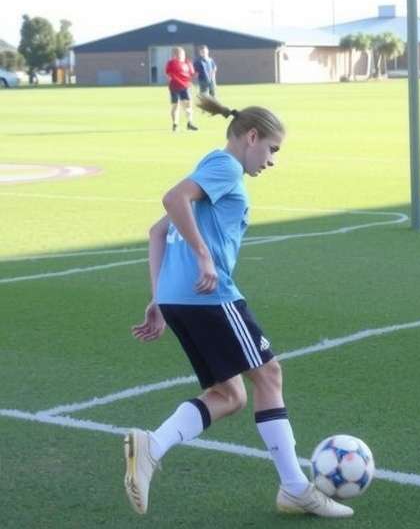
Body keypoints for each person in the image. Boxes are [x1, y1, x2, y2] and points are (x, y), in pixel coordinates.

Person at [125, 95, 352, 518]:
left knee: (229, 395)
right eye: (272, 149)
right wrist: (204, 255)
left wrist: (159, 296)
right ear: (251, 137)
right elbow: (172, 200)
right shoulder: (226, 166)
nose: (271, 160)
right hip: (208, 295)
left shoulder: (211, 166)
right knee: (269, 374)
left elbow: (157, 233)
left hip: (180, 297)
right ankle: (295, 488)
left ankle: (152, 447)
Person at [165, 47, 199, 132]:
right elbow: (168, 74)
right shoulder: (171, 63)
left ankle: (189, 123)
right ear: (175, 55)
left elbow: (191, 74)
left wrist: (190, 81)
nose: (181, 56)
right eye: (178, 54)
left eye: (182, 54)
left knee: (188, 105)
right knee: (175, 105)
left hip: (185, 87)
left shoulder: (187, 63)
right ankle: (175, 124)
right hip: (175, 87)